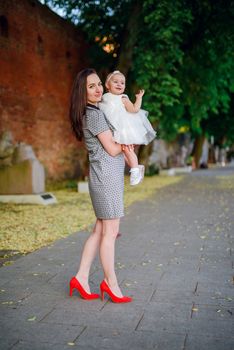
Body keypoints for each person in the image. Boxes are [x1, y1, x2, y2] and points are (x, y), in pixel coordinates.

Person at [69, 68, 136, 303]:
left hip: (104, 177)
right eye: (91, 86)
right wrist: (130, 141)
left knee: (100, 230)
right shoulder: (95, 115)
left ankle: (81, 277)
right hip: (106, 179)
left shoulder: (93, 112)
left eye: (99, 84)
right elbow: (113, 149)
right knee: (110, 232)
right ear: (82, 91)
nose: (98, 89)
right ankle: (111, 284)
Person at [99, 70, 156, 185]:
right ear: (107, 85)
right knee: (123, 153)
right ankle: (137, 166)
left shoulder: (123, 98)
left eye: (122, 83)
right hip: (112, 128)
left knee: (128, 149)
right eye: (115, 82)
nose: (119, 84)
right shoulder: (104, 98)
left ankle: (134, 170)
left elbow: (134, 110)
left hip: (124, 128)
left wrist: (139, 98)